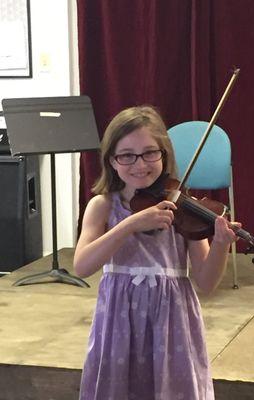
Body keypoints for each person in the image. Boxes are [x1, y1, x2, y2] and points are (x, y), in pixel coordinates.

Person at [74, 105, 240, 400]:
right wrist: (130, 224)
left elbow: (206, 281)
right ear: (112, 160)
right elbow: (83, 266)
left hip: (171, 322)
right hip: (118, 322)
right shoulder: (103, 205)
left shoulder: (180, 207)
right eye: (127, 155)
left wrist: (220, 244)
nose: (140, 164)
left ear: (165, 154)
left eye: (150, 152)